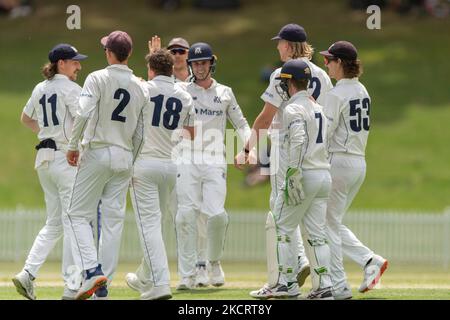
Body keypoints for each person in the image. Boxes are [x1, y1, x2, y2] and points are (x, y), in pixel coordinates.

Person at [235, 23, 333, 298]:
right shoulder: (323, 76)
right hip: (321, 158)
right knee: (314, 228)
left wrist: (247, 149)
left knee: (279, 220)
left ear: (289, 46)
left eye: (280, 43)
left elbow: (266, 118)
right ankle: (321, 284)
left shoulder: (284, 73)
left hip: (289, 154)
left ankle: (283, 282)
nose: (277, 47)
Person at [65, 30, 149, 300]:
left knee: (77, 215)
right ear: (129, 54)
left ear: (109, 53)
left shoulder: (97, 77)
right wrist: (132, 162)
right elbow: (140, 134)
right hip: (124, 155)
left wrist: (72, 145)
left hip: (99, 150)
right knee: (113, 222)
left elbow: (83, 112)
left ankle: (91, 271)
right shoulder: (140, 86)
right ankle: (103, 286)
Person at [254, 59, 334, 299]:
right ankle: (324, 287)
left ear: (289, 83)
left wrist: (293, 172)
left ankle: (284, 283)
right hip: (322, 174)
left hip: (304, 174)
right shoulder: (317, 107)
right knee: (317, 234)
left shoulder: (292, 108)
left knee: (281, 226)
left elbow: (298, 140)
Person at [12, 43, 87, 300]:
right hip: (65, 159)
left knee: (55, 223)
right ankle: (73, 285)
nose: (79, 66)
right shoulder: (72, 89)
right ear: (61, 64)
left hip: (44, 158)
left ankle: (27, 274)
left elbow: (25, 118)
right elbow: (81, 121)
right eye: (74, 61)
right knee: (75, 221)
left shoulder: (39, 88)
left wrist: (47, 134)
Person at [175, 42, 251, 290]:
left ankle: (214, 261)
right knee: (188, 214)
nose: (199, 67)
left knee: (216, 214)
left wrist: (248, 149)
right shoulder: (181, 90)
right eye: (195, 63)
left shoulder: (225, 93)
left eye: (203, 63)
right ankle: (194, 268)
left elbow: (241, 124)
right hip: (186, 158)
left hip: (215, 158)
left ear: (211, 64)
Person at [318, 41, 388, 299]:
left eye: (329, 60)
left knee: (329, 226)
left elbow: (324, 133)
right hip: (359, 162)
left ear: (341, 63)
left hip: (340, 161)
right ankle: (370, 261)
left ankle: (339, 285)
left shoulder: (337, 94)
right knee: (332, 222)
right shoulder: (362, 89)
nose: (326, 64)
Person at [128, 49, 195, 300]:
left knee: (149, 227)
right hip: (170, 165)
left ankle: (160, 283)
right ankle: (144, 276)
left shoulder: (144, 89)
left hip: (144, 164)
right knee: (156, 225)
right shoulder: (185, 95)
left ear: (151, 70)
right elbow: (190, 134)